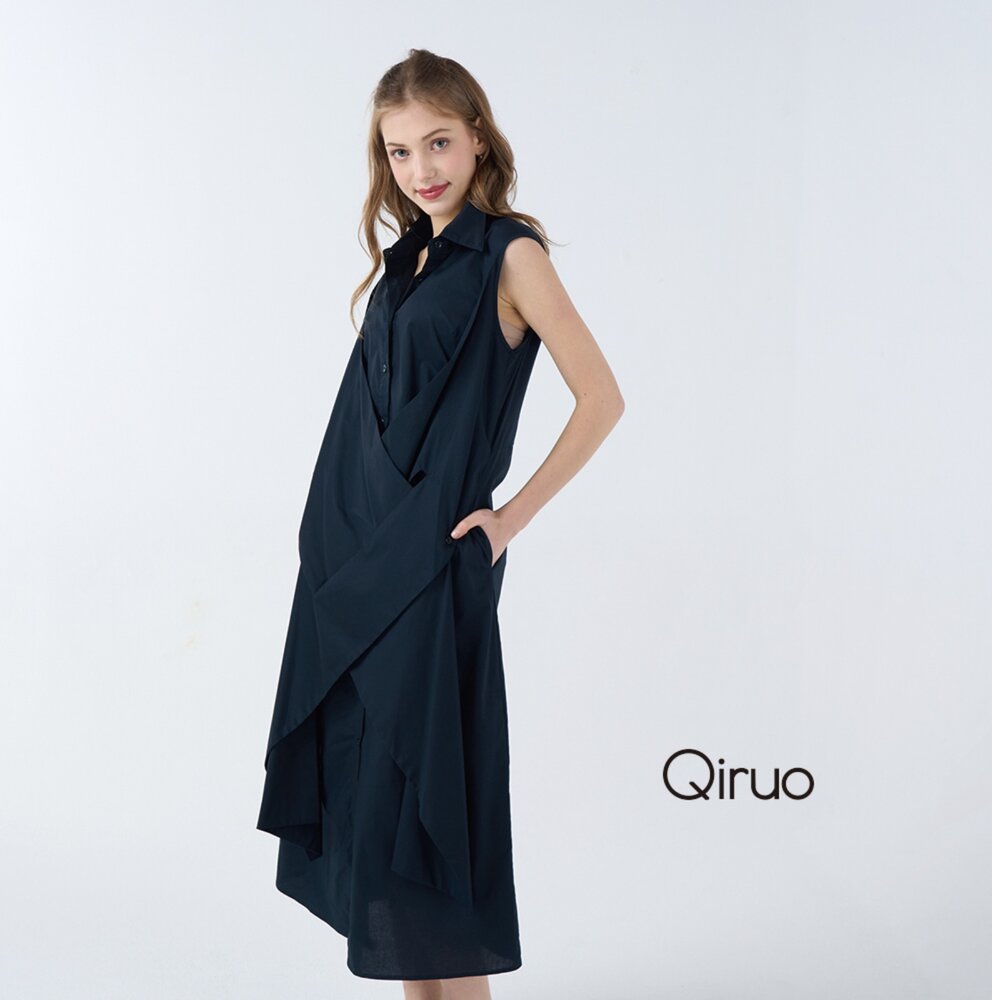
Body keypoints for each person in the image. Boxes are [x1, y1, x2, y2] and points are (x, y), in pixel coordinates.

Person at [257, 48, 624, 1000]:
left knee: (430, 844)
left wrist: (509, 519)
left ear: (477, 139)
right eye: (400, 150)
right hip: (353, 577)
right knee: (386, 855)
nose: (421, 168)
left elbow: (602, 399)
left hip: (430, 573)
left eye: (439, 142)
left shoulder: (511, 254)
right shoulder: (407, 260)